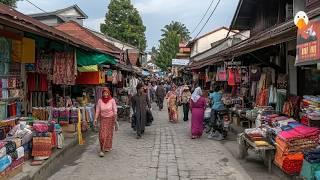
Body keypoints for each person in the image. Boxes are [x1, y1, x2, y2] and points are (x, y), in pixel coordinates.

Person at [94, 88, 118, 157]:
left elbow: (115, 110)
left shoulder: (112, 100)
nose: (105, 94)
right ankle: (102, 149)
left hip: (110, 119)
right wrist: (95, 119)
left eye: (107, 93)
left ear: (109, 93)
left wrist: (115, 120)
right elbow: (98, 110)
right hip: (103, 119)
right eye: (104, 93)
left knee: (109, 134)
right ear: (102, 93)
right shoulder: (100, 100)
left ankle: (107, 147)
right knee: (102, 135)